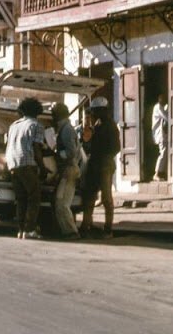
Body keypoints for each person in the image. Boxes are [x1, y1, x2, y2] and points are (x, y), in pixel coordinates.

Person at [5, 97, 48, 239]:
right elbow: (36, 148)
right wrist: (43, 167)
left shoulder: (14, 125)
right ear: (37, 111)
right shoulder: (36, 125)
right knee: (34, 197)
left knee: (21, 199)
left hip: (13, 164)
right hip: (27, 163)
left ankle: (21, 229)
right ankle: (29, 230)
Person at [80, 96, 121, 238]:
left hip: (104, 164)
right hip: (95, 163)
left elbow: (116, 147)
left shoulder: (110, 126)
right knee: (89, 195)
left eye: (96, 111)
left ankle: (108, 229)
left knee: (106, 198)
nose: (94, 114)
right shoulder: (97, 125)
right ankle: (86, 225)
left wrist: (103, 155)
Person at [51, 103, 81, 240]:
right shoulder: (64, 128)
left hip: (69, 170)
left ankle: (71, 232)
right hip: (68, 170)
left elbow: (71, 152)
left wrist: (58, 154)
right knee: (60, 202)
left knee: (62, 203)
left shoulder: (66, 130)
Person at [152, 94, 168, 181]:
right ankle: (156, 173)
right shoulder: (158, 107)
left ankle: (162, 172)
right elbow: (166, 117)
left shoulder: (160, 107)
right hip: (160, 134)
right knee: (163, 152)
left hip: (162, 133)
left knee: (164, 153)